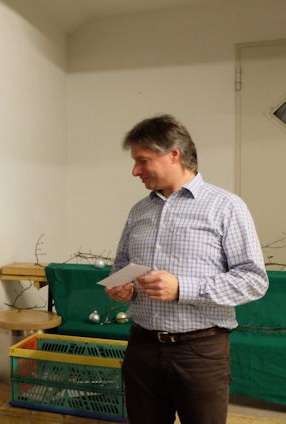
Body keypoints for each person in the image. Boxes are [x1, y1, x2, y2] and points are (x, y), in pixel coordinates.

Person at [106, 114, 268, 424]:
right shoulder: (139, 210)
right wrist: (123, 287)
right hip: (141, 348)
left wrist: (182, 288)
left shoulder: (226, 207)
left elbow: (253, 280)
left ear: (173, 155)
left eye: (142, 160)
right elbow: (122, 266)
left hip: (200, 353)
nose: (135, 171)